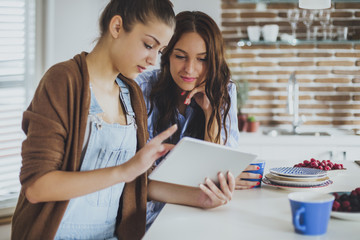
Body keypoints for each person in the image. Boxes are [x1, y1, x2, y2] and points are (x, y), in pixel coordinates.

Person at [11, 2, 235, 240]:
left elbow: (137, 186)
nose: (152, 60)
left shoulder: (131, 93)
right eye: (148, 45)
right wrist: (124, 171)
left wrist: (200, 198)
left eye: (159, 51)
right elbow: (37, 187)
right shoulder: (63, 80)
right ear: (117, 27)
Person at [135, 11, 262, 229]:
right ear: (166, 54)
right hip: (150, 210)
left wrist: (211, 112)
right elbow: (139, 173)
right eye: (180, 56)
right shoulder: (144, 87)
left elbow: (217, 171)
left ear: (213, 60)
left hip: (201, 208)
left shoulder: (223, 90)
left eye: (202, 59)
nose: (190, 69)